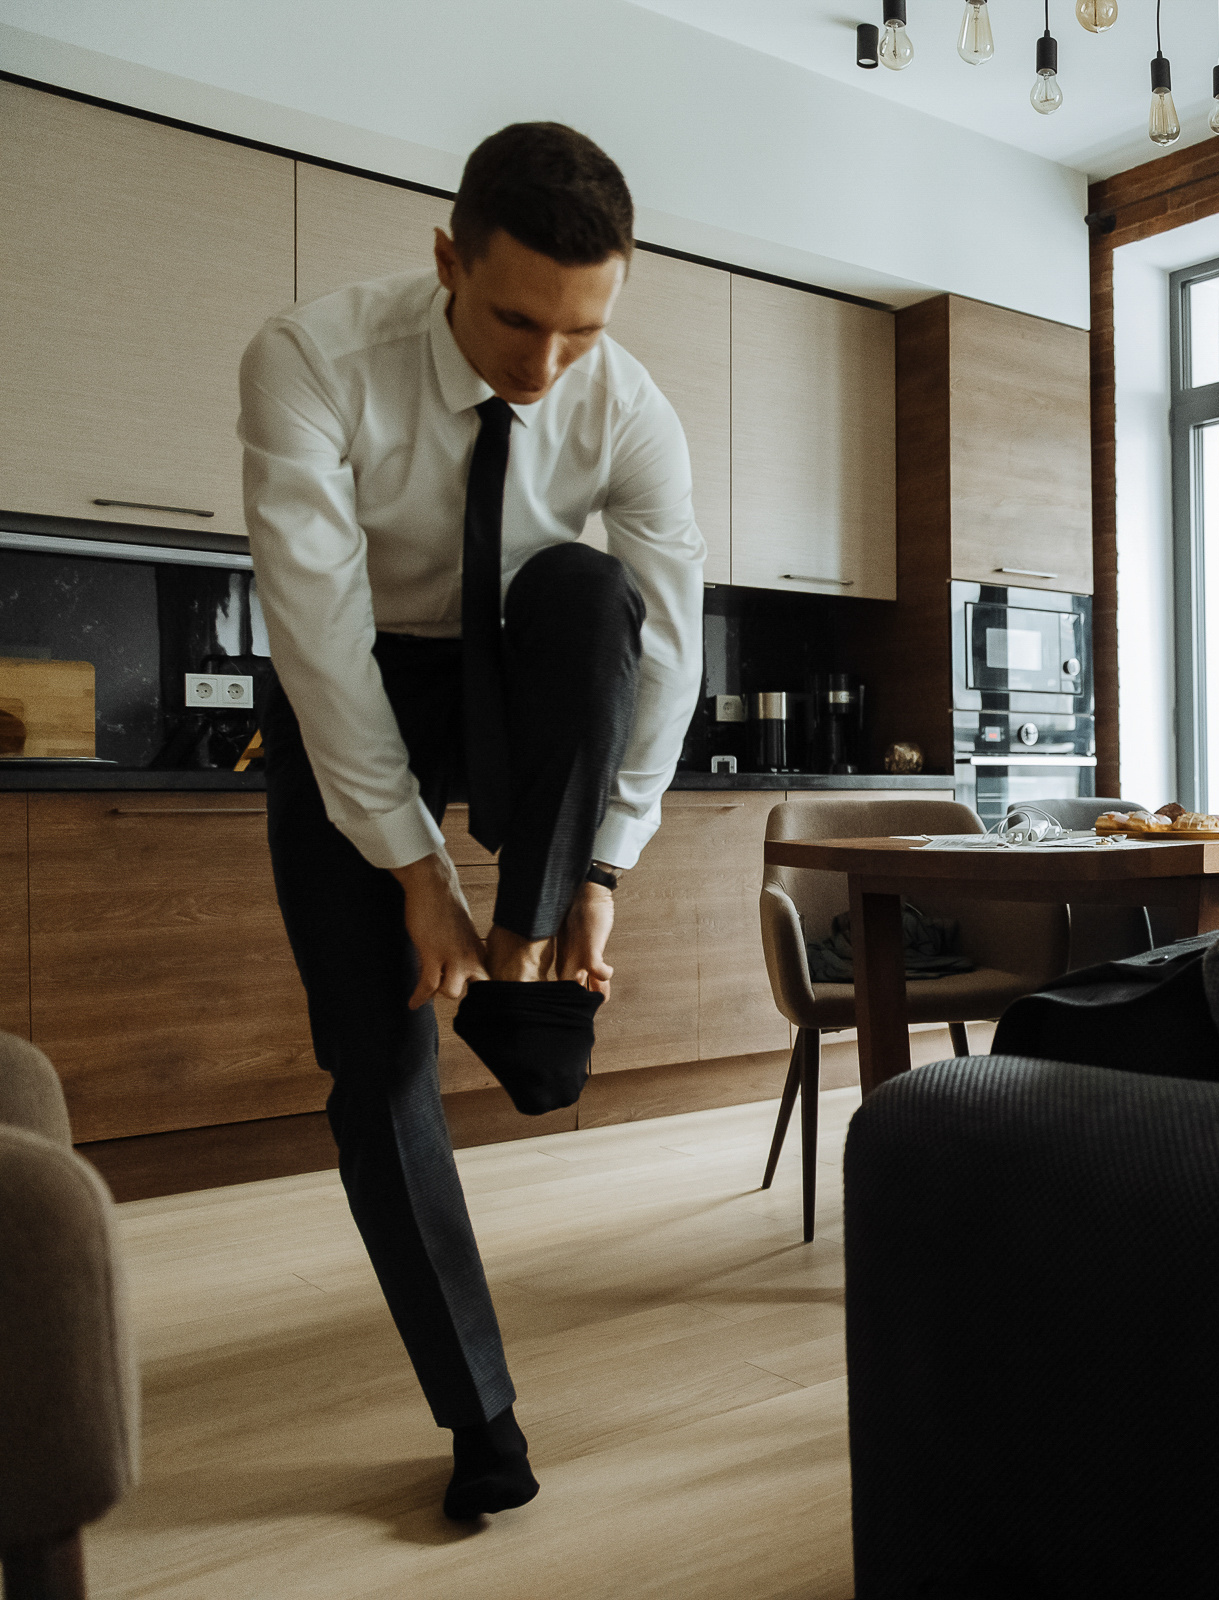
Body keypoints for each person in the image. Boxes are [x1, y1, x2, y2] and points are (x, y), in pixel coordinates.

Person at [237, 123, 704, 1519]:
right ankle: (480, 1415)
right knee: (375, 1073)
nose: (544, 364)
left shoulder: (627, 405)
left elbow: (666, 645)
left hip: (518, 683)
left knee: (586, 593)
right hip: (354, 682)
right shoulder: (311, 359)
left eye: (583, 328)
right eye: (514, 318)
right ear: (448, 259)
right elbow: (316, 640)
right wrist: (413, 872)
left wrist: (600, 867)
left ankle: (523, 958)